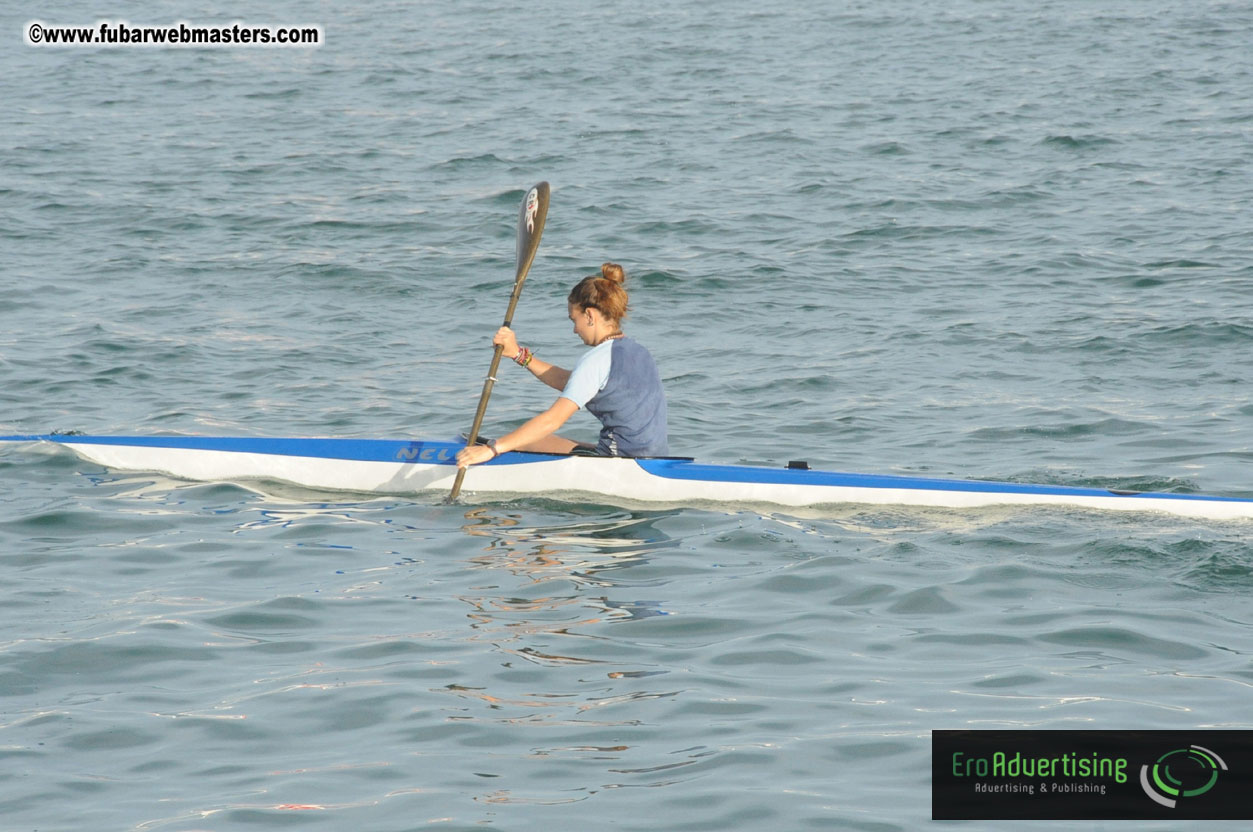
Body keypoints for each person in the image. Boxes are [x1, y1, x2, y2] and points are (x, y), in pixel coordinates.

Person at [456, 262, 668, 468]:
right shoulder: (639, 352)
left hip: (619, 463)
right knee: (543, 442)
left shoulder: (597, 359)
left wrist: (493, 450)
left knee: (525, 441)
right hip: (653, 458)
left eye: (573, 320)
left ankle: (486, 452)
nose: (575, 330)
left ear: (590, 315)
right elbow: (570, 382)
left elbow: (553, 420)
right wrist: (519, 354)